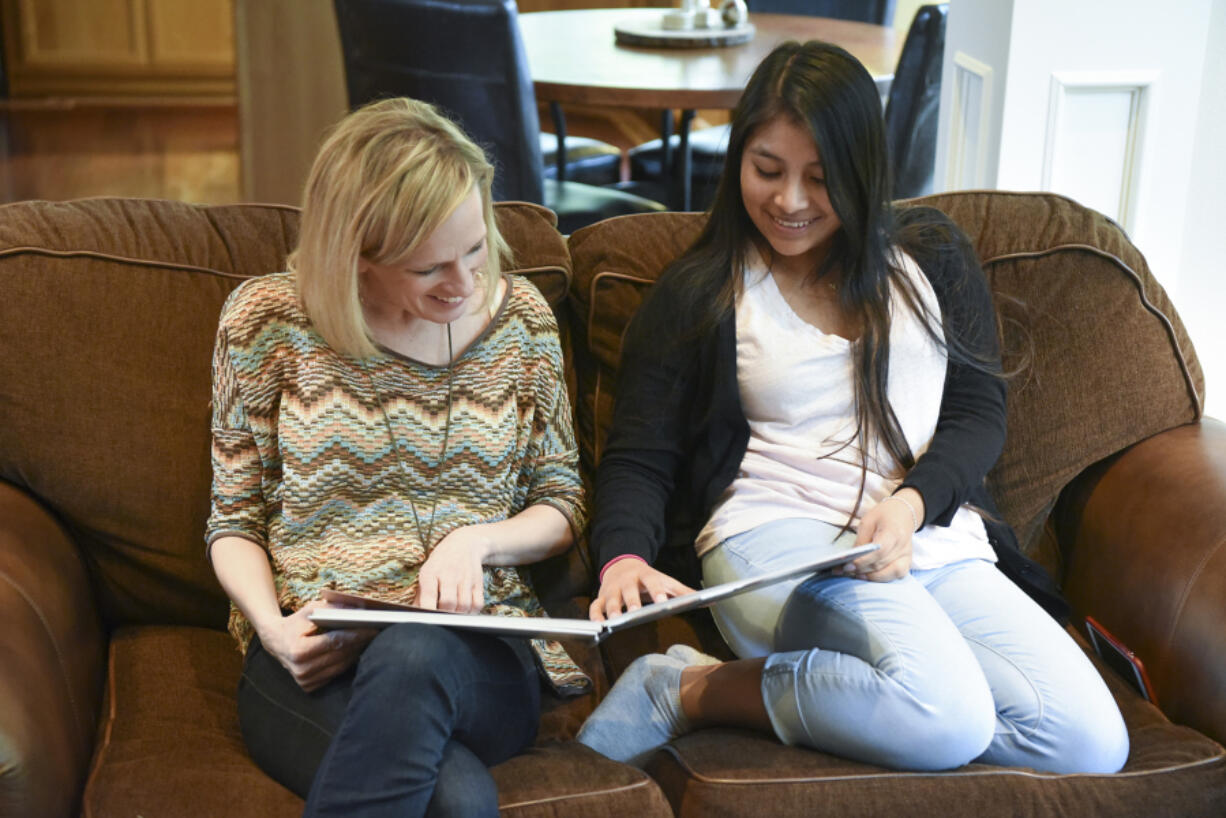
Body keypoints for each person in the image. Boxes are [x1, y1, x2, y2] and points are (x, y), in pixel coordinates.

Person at [576, 41, 1129, 774]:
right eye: (766, 170)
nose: (790, 200)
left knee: (1091, 741)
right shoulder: (701, 293)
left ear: (863, 170)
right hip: (776, 543)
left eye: (821, 176)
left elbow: (977, 413)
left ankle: (780, 692)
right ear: (739, 156)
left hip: (924, 542)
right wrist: (622, 559)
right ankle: (695, 689)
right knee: (948, 713)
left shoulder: (930, 258)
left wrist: (909, 506)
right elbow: (640, 456)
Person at [205, 97, 588, 818]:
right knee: (457, 798)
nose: (466, 284)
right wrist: (271, 628)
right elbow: (232, 520)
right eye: (429, 268)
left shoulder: (524, 322)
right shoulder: (265, 322)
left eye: (476, 248)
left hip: (478, 656)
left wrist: (476, 541)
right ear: (357, 259)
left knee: (416, 651)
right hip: (311, 649)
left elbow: (562, 501)